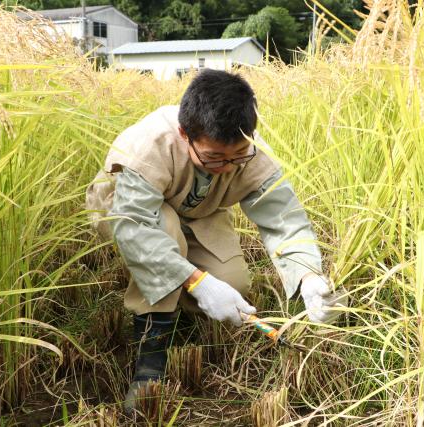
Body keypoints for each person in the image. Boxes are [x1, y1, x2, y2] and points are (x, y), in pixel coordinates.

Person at [85, 69, 336, 414]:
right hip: (128, 211)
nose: (226, 167)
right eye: (214, 158)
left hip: (198, 210)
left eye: (237, 157)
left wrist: (308, 275)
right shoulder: (150, 144)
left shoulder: (249, 149)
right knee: (164, 234)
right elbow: (136, 227)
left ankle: (176, 305)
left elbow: (284, 218)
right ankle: (151, 356)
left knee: (233, 283)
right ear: (184, 134)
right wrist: (198, 282)